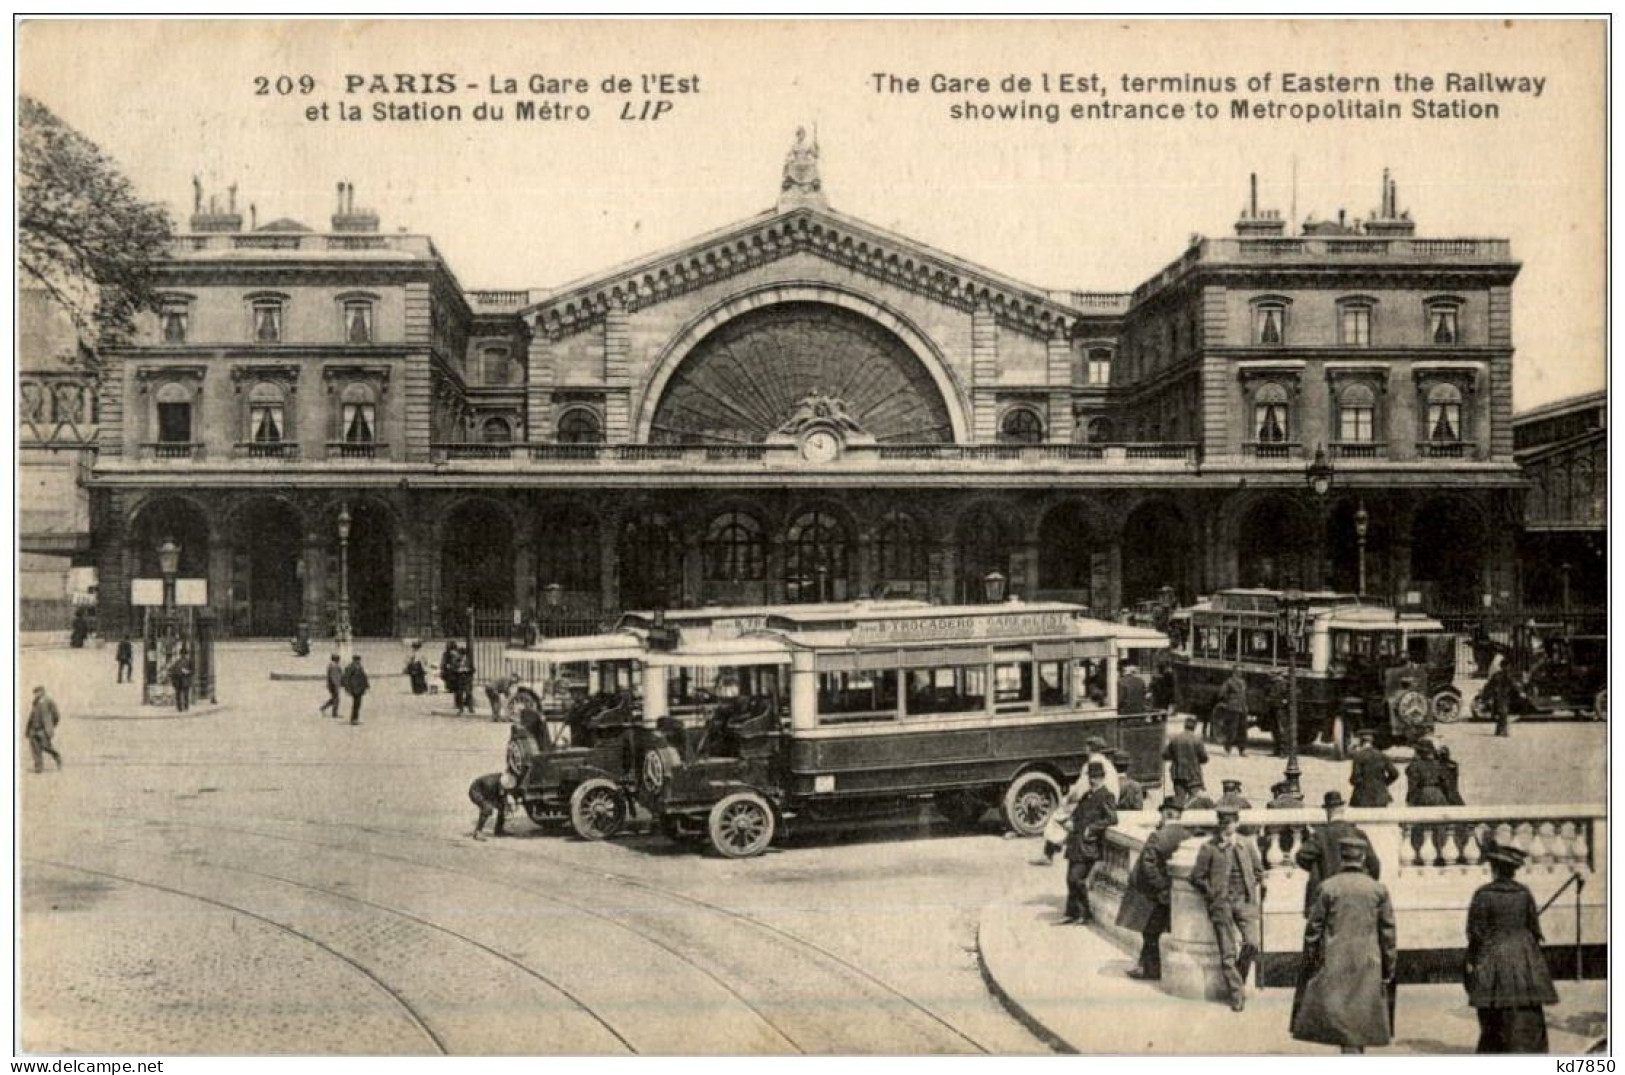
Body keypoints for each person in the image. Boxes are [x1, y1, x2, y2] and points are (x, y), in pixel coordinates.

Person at [1291, 836, 1396, 1053]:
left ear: (1342, 857)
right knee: (1359, 1022)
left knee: (1343, 1022)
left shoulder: (1327, 888)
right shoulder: (1378, 890)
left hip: (1334, 961)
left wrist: (1310, 964)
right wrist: (1389, 969)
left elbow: (1313, 932)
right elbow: (1388, 934)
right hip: (1368, 964)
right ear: (1363, 857)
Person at [1465, 843, 1559, 1053]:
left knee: (1494, 1003)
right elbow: (1534, 929)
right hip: (1524, 954)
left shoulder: (1483, 895)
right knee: (1527, 1004)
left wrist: (1472, 959)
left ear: (1495, 869)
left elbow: (1475, 932)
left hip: (1494, 953)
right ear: (1512, 870)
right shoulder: (1524, 893)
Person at [1190, 807, 1263, 1011]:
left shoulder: (1247, 844)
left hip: (1245, 901)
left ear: (1237, 823)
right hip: (1221, 904)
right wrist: (1212, 892)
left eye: (1230, 822)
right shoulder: (1209, 848)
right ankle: (1236, 994)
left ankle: (1237, 976)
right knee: (1228, 951)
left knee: (1253, 943)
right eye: (1222, 822)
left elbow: (1259, 871)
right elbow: (1196, 877)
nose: (1226, 825)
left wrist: (1250, 887)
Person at [1118, 798, 1190, 980]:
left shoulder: (1158, 836)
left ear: (1167, 814)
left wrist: (1160, 887)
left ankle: (1151, 970)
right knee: (1155, 931)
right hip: (1173, 891)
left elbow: (1147, 865)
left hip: (1153, 892)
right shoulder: (1187, 834)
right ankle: (1144, 966)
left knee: (1150, 932)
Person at [1294, 791, 1380, 913]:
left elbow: (1301, 856)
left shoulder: (1320, 835)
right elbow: (1374, 866)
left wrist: (1317, 867)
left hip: (1325, 896)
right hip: (1355, 895)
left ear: (1327, 812)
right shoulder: (1358, 833)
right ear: (1342, 809)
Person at [1060, 761, 1117, 924]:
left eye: (1096, 777)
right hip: (1076, 843)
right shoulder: (1086, 795)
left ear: (1103, 778)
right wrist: (1069, 821)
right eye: (1091, 777)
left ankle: (1085, 913)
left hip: (1089, 846)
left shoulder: (1106, 796)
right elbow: (1077, 813)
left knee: (1076, 878)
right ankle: (1071, 913)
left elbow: (1112, 818)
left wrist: (1092, 828)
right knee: (1069, 879)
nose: (1093, 780)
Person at [1349, 729, 1399, 807]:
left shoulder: (1358, 756)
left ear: (1361, 741)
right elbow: (1395, 773)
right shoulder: (1382, 755)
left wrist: (1352, 781)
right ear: (1372, 741)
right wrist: (1384, 783)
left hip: (1363, 796)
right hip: (1380, 795)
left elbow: (1356, 777)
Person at [1163, 716, 1208, 801]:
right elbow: (1204, 758)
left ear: (1184, 725)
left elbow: (1165, 755)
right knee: (1194, 801)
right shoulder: (1197, 740)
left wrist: (1175, 757)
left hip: (1178, 774)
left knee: (1179, 800)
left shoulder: (1175, 739)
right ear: (1194, 727)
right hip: (1194, 775)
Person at [26, 685, 63, 773]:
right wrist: (28, 729)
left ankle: (57, 757)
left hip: (43, 730)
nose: (36, 695)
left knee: (46, 746)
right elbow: (32, 716)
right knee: (35, 749)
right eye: (35, 693)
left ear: (42, 692)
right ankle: (38, 767)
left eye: (37, 692)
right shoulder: (35, 702)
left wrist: (51, 725)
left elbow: (56, 715)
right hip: (33, 729)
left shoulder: (49, 701)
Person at [1406, 739, 1450, 806]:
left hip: (1422, 794)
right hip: (1438, 793)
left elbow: (1412, 785)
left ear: (1418, 752)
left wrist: (1410, 799)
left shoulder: (1415, 765)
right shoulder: (1437, 764)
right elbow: (1445, 782)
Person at [468, 772, 511, 840]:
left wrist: (506, 805)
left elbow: (503, 794)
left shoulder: (506, 779)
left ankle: (498, 830)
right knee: (487, 808)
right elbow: (492, 798)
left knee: (502, 806)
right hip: (476, 791)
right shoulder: (489, 784)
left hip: (489, 790)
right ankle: (478, 832)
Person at [1483, 653, 1514, 738]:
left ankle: (1498, 730)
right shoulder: (1505, 675)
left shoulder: (1498, 675)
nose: (1507, 668)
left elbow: (1489, 685)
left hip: (1499, 697)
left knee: (1501, 713)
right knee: (1503, 713)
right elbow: (1511, 685)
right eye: (1506, 666)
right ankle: (1504, 731)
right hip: (1502, 696)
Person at [1264, 669, 1290, 756]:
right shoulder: (1271, 684)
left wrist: (1285, 701)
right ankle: (1277, 750)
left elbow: (1288, 695)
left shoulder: (1284, 684)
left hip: (1280, 709)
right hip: (1273, 707)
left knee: (1281, 729)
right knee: (1275, 729)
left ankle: (1283, 751)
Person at [342, 654, 370, 724]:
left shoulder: (360, 667)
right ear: (354, 660)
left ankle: (355, 718)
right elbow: (346, 678)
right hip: (354, 688)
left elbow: (364, 677)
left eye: (359, 660)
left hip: (359, 688)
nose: (358, 661)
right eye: (357, 660)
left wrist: (367, 685)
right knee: (356, 704)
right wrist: (347, 688)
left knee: (358, 704)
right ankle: (353, 719)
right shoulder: (350, 667)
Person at [170, 648, 194, 712]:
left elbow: (192, 671)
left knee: (186, 694)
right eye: (182, 654)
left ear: (186, 655)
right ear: (180, 654)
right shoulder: (177, 662)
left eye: (184, 654)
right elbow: (173, 671)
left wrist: (187, 672)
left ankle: (186, 706)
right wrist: (174, 679)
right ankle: (179, 707)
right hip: (178, 680)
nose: (183, 655)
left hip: (185, 679)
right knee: (178, 694)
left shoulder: (189, 662)